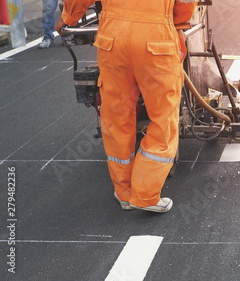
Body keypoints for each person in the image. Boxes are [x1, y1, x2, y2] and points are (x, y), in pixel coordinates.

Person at [56, 0, 197, 213]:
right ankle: (146, 194)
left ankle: (124, 193)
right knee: (163, 118)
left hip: (113, 39)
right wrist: (178, 25)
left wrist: (69, 18)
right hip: (156, 39)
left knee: (116, 117)